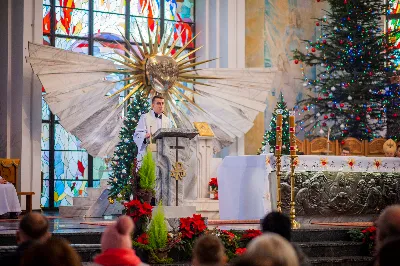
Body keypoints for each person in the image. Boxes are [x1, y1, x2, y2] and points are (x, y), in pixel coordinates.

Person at [133, 95, 173, 166]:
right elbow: (137, 135)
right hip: (148, 152)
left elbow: (170, 137)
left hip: (162, 155)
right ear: (152, 105)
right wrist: (144, 136)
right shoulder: (145, 117)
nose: (161, 105)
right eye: (158, 103)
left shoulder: (167, 120)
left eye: (162, 103)